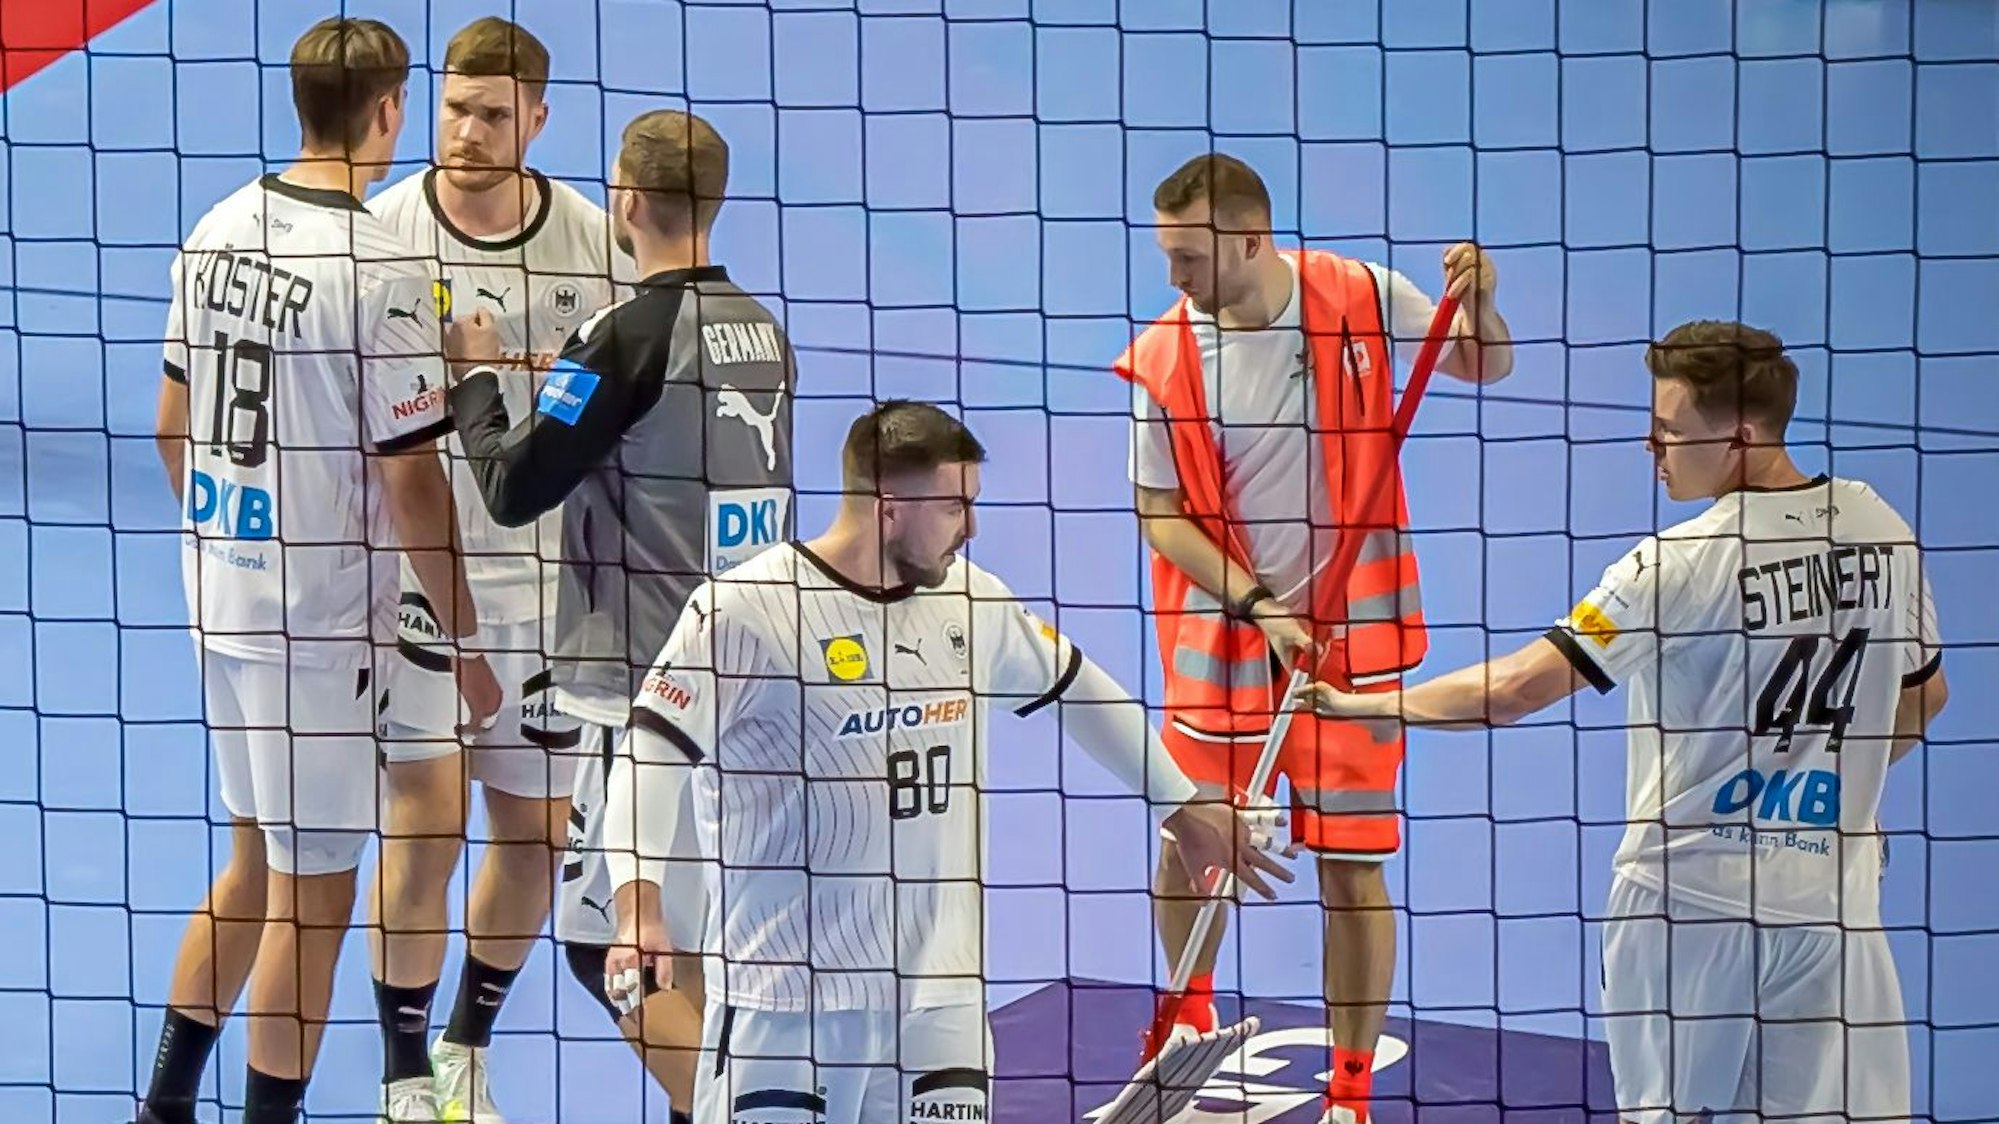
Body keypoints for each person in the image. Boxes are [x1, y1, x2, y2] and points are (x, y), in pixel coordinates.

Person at [1296, 321, 1949, 1124]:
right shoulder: (1878, 528)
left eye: (1668, 431)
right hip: (1831, 906)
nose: (1652, 447)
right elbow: (1923, 698)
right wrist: (1827, 787)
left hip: (1684, 908)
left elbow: (1515, 690)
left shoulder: (1673, 565)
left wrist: (1357, 703)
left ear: (1738, 437)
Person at [596, 400, 1294, 1124]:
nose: (973, 528)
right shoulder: (746, 611)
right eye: (956, 507)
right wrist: (638, 907)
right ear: (889, 504)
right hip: (789, 1005)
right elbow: (649, 754)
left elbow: (1080, 691)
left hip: (939, 1000)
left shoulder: (969, 600)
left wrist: (1180, 808)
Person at [136, 17, 502, 1124]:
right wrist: (471, 647)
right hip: (316, 634)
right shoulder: (380, 267)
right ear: (389, 111)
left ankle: (162, 1106)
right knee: (312, 904)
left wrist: (236, 538)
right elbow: (413, 484)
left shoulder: (214, 228)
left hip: (219, 605)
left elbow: (168, 427)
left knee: (251, 862)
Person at [1116, 151, 1515, 1122]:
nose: (1174, 279)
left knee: (1350, 865)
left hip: (1351, 650)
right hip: (1225, 647)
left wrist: (1481, 301)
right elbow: (1158, 511)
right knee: (1188, 840)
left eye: (1190, 259)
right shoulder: (1166, 353)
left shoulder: (1359, 293)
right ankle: (1187, 1015)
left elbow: (1482, 360)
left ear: (1252, 240)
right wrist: (1258, 603)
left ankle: (1347, 1091)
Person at [445, 106, 792, 1123]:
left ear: (626, 203)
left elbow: (513, 485)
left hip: (644, 691)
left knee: (612, 946)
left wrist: (474, 374)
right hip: (758, 682)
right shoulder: (763, 330)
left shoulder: (624, 334)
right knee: (704, 943)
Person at [361, 17, 639, 1122]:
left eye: (491, 115)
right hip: (418, 587)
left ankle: (465, 1044)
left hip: (551, 598)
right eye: (452, 109)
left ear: (536, 119)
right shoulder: (384, 237)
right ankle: (398, 1068)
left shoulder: (593, 245)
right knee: (424, 818)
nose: (465, 133)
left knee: (532, 834)